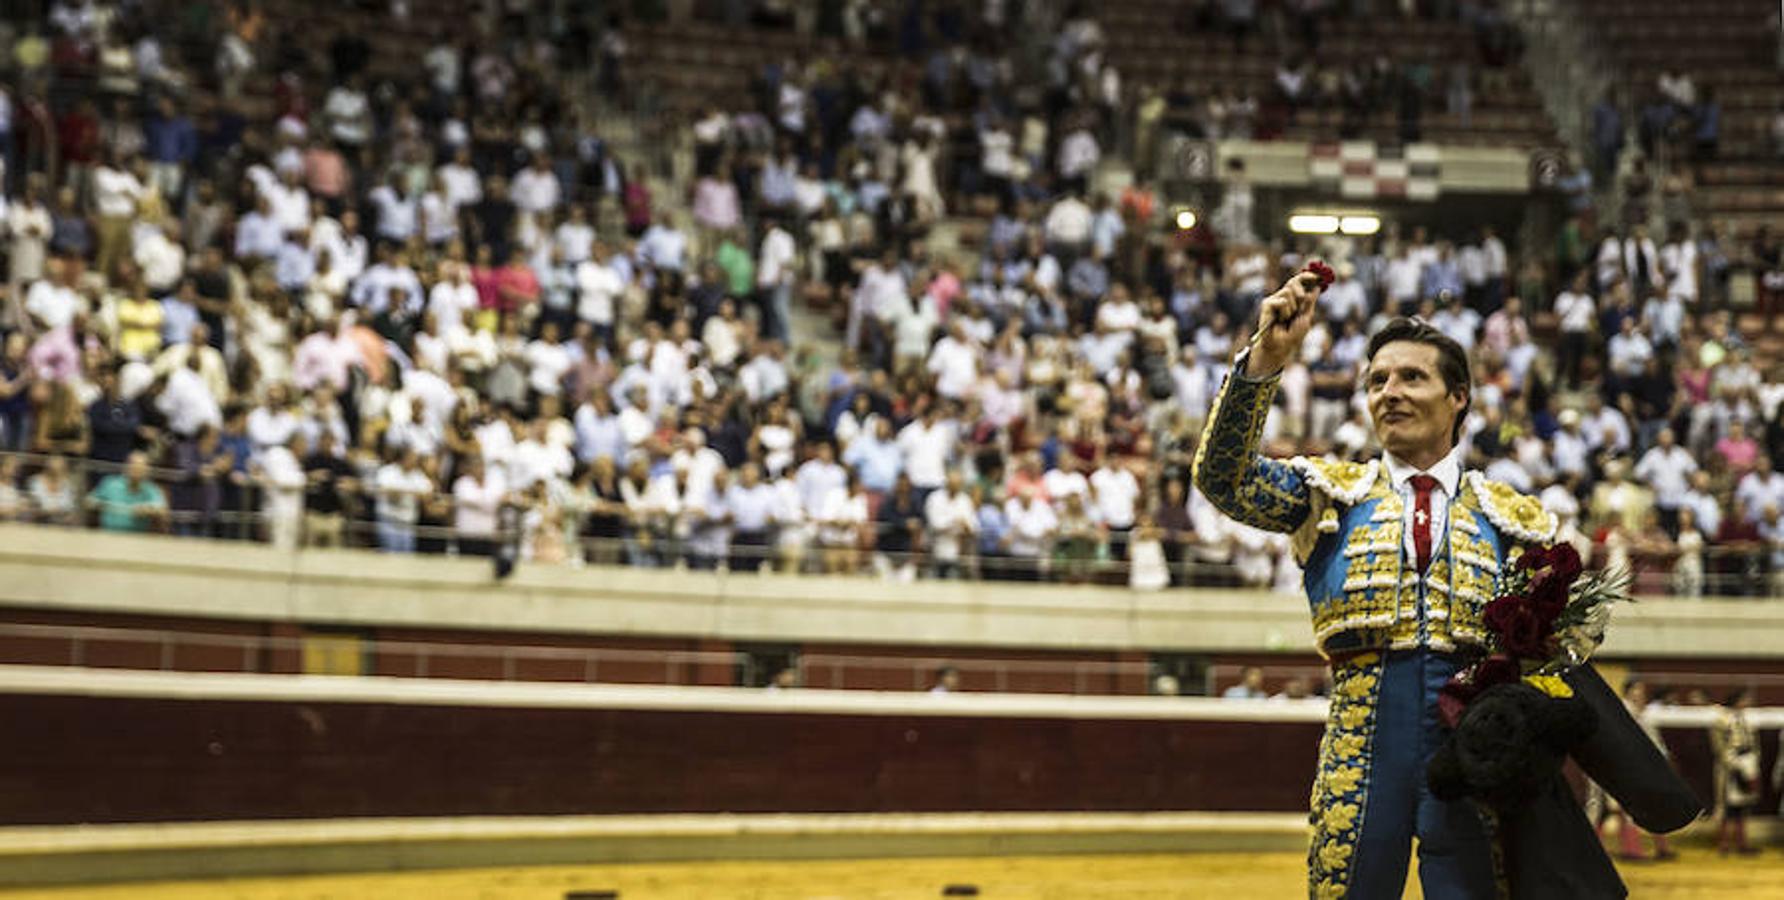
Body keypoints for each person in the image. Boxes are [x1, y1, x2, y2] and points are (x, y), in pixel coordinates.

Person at [1192, 272, 1691, 898]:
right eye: (1377, 381)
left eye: (1410, 378)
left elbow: (1556, 658)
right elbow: (1222, 479)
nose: (1388, 394)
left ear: (1459, 397)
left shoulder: (1514, 516)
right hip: (1360, 737)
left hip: (1472, 745)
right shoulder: (1329, 495)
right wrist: (1265, 361)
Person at [1710, 688, 1761, 855]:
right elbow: (1718, 746)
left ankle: (1742, 843)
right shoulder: (1721, 720)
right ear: (1736, 700)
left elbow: (1754, 744)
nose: (1747, 702)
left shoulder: (1746, 719)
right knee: (1726, 807)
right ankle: (1723, 844)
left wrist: (1752, 763)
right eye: (1745, 699)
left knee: (1743, 806)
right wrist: (1733, 763)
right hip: (1728, 769)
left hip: (1746, 764)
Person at [84, 452, 169, 533]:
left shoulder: (151, 489)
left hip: (138, 538)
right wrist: (99, 504)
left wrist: (148, 509)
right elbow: (88, 501)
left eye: (140, 469)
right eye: (134, 467)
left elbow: (162, 509)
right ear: (126, 467)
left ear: (146, 471)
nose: (137, 472)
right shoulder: (110, 483)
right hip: (108, 534)